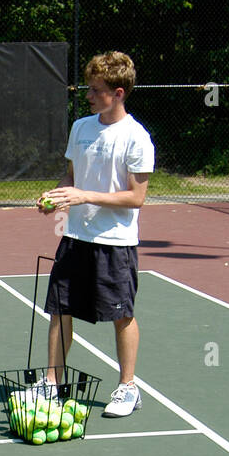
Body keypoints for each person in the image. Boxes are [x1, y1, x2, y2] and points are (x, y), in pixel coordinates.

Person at [35, 51, 154, 417]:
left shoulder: (136, 138)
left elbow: (136, 198)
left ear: (118, 92)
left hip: (115, 243)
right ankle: (53, 382)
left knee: (122, 315)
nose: (87, 95)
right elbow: (71, 177)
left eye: (95, 89)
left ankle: (128, 388)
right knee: (59, 310)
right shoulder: (81, 128)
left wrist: (84, 195)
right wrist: (55, 196)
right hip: (75, 238)